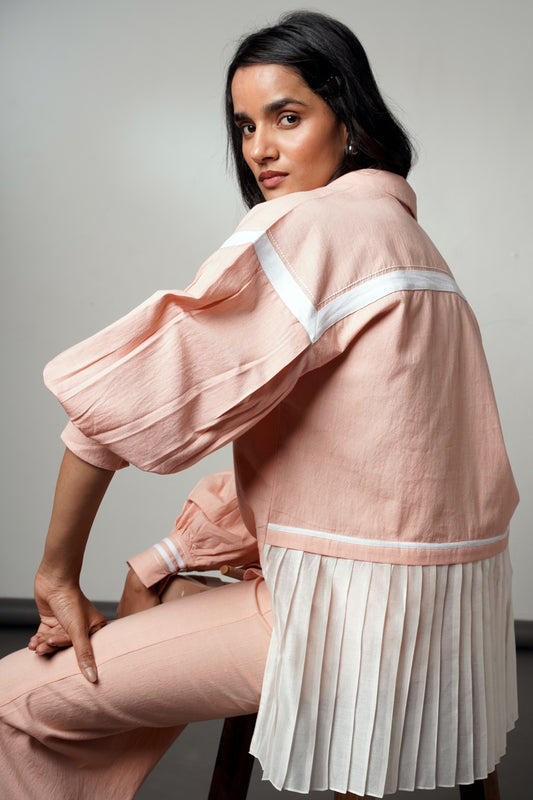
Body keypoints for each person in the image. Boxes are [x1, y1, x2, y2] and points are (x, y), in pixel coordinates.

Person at [0, 10, 518, 800]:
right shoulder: (417, 249)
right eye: (245, 126)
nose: (259, 149)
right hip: (448, 625)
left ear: (347, 118)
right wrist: (175, 552)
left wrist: (56, 572)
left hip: (332, 624)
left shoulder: (314, 226)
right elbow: (370, 474)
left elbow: (126, 402)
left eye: (287, 117)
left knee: (12, 703)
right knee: (155, 580)